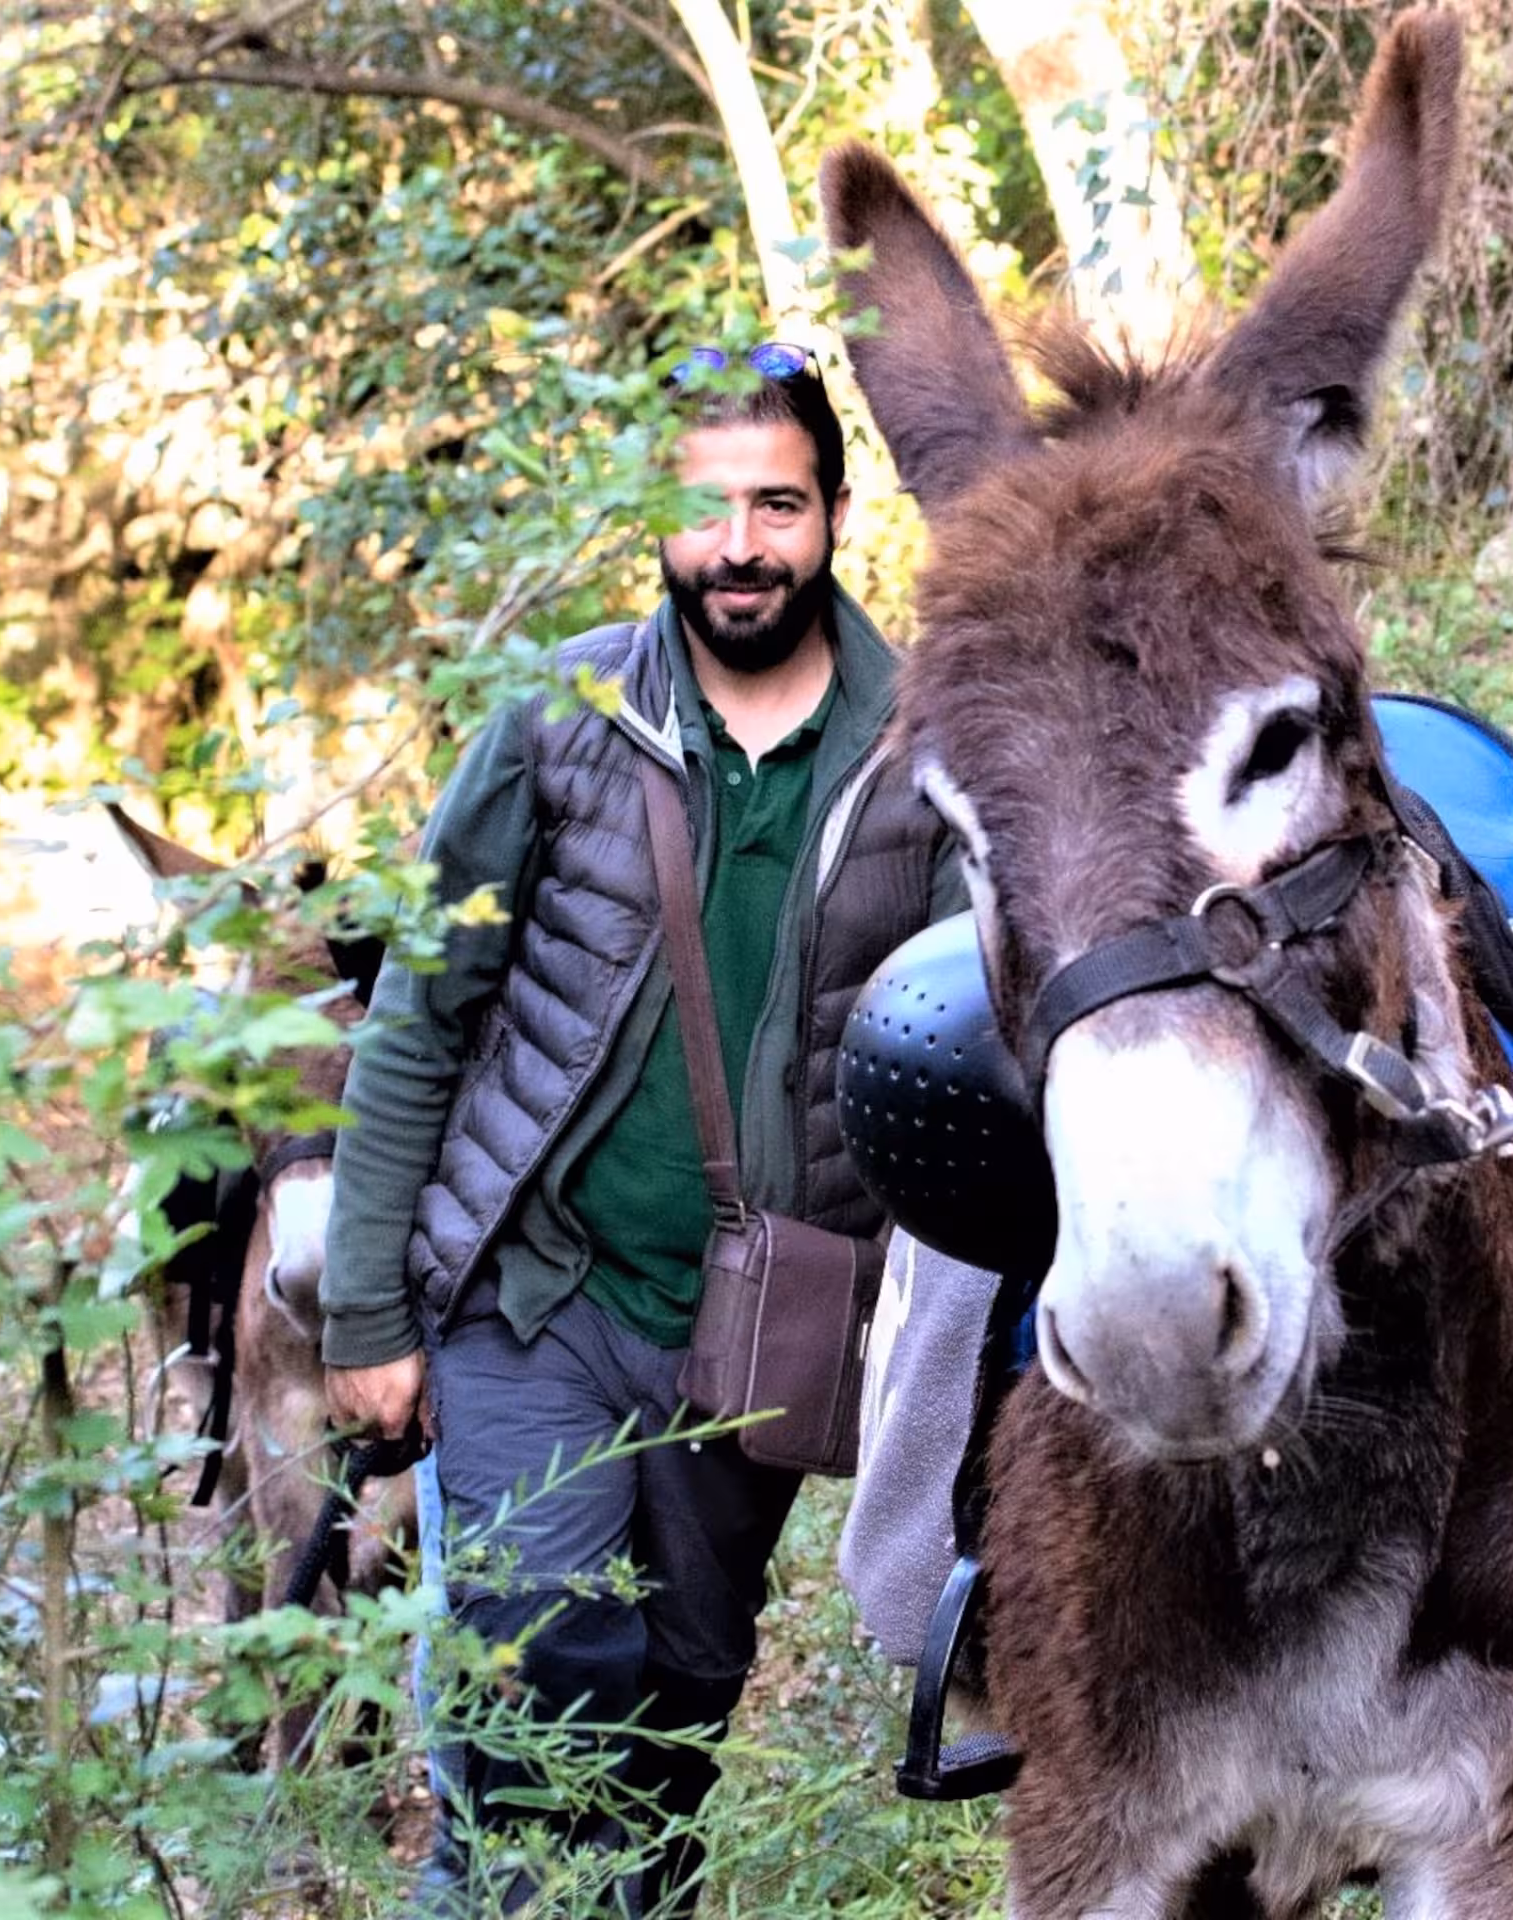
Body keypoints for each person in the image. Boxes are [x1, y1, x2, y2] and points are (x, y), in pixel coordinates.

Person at [320, 341, 961, 1915]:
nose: (740, 546)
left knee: (668, 1731)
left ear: (832, 515)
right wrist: (366, 1304)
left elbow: (985, 1057)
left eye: (777, 504)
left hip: (757, 1344)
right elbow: (424, 1008)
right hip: (537, 1298)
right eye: (705, 508)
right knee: (534, 1684)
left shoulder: (928, 756)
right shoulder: (561, 719)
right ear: (654, 525)